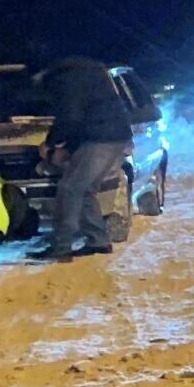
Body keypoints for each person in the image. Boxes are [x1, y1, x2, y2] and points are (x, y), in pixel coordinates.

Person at [29, 58, 132, 261]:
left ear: (39, 74)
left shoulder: (64, 80)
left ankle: (61, 247)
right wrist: (68, 147)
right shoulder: (81, 73)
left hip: (101, 139)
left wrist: (50, 144)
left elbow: (70, 116)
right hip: (112, 136)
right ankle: (98, 241)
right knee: (85, 189)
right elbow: (84, 115)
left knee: (70, 188)